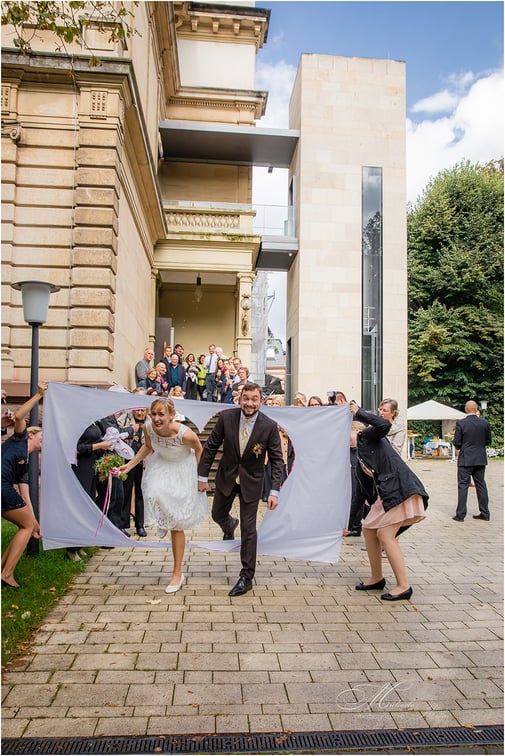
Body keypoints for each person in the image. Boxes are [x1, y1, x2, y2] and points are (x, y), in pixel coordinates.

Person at [198, 382, 285, 596]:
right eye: (246, 398)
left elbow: (277, 460)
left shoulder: (269, 426)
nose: (249, 403)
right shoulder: (226, 418)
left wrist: (274, 491)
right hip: (226, 477)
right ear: (239, 399)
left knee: (249, 530)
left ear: (261, 401)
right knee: (217, 514)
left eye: (254, 399)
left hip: (252, 482)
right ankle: (229, 524)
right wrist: (201, 477)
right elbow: (210, 447)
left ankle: (246, 576)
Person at [119, 397, 207, 593]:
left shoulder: (185, 434)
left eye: (161, 414)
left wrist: (200, 478)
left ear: (171, 416)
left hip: (183, 468)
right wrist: (129, 465)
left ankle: (177, 573)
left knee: (177, 524)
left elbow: (200, 450)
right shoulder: (148, 427)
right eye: (154, 414)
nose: (157, 418)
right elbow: (147, 447)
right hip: (162, 465)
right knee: (153, 491)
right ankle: (165, 519)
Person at [349, 400, 428, 601]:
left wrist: (358, 411)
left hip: (399, 489)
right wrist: (348, 522)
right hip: (386, 493)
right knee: (368, 530)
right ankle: (376, 578)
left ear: (355, 430)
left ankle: (403, 586)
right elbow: (361, 492)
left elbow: (384, 425)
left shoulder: (367, 435)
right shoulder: (359, 455)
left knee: (385, 535)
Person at [1, 383, 46, 588]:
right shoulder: (19, 438)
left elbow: (25, 497)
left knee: (26, 525)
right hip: (2, 485)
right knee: (26, 526)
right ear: (31, 435)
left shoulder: (25, 463)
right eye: (42, 436)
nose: (44, 440)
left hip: (4, 488)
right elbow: (19, 416)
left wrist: (35, 522)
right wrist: (39, 395)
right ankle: (7, 574)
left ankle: (3, 570)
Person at [452, 400, 492, 522]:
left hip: (466, 458)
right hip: (480, 458)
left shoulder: (461, 423)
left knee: (463, 485)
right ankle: (485, 513)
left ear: (466, 409)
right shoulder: (484, 423)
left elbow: (457, 442)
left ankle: (460, 514)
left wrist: (462, 447)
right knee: (481, 484)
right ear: (476, 409)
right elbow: (488, 440)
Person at [122, 406, 148, 537]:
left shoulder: (150, 422)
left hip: (143, 462)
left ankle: (140, 525)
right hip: (127, 461)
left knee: (140, 493)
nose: (140, 413)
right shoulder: (126, 419)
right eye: (138, 410)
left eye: (142, 410)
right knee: (125, 492)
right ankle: (123, 524)